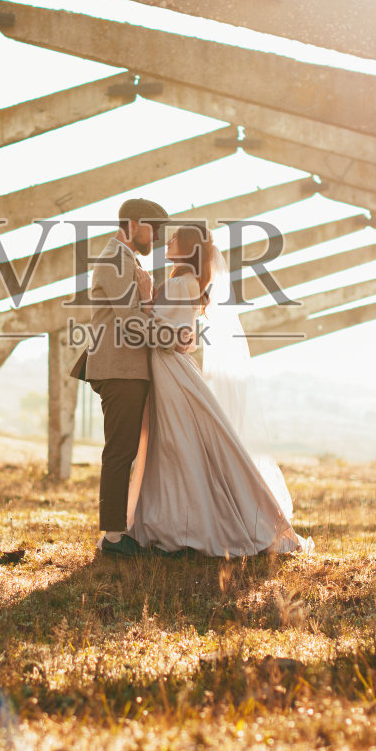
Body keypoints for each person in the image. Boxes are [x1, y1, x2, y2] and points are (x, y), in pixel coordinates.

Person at [127, 221, 311, 557]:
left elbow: (170, 337)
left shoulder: (182, 283)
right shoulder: (183, 281)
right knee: (171, 448)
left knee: (175, 446)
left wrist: (143, 303)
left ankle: (182, 525)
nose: (167, 240)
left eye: (175, 237)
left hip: (170, 374)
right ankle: (170, 521)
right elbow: (186, 336)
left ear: (188, 247)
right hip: (167, 371)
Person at [69, 197, 185, 556]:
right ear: (132, 224)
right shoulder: (115, 260)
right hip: (119, 369)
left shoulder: (127, 259)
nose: (158, 237)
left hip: (129, 368)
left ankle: (124, 530)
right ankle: (114, 538)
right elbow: (131, 323)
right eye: (154, 228)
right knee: (120, 451)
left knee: (129, 449)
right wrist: (173, 338)